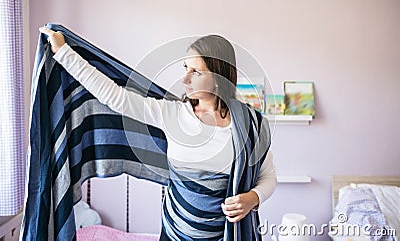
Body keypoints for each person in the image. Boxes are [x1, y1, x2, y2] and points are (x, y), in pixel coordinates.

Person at [39, 27, 277, 240]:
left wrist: (253, 198)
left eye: (196, 72)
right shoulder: (172, 114)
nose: (185, 78)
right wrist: (64, 53)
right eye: (186, 68)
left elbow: (268, 177)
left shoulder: (252, 125)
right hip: (175, 232)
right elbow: (116, 97)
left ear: (218, 78)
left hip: (228, 234)